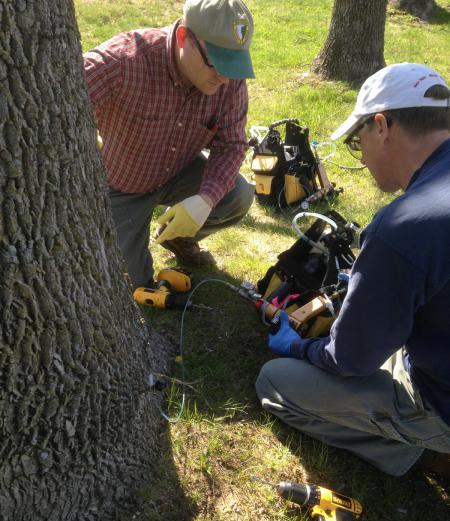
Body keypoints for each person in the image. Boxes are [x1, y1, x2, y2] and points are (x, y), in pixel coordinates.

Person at [256, 63, 450, 477]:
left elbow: (350, 359)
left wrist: (298, 347)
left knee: (275, 382)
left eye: (357, 144)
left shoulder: (402, 229)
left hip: (441, 399)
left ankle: (426, 454)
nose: (361, 160)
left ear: (381, 125)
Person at [84, 0, 255, 288]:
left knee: (237, 195)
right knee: (134, 284)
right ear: (183, 37)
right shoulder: (124, 62)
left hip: (179, 172)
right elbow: (58, 100)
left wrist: (206, 199)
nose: (224, 78)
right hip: (122, 187)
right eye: (216, 62)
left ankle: (178, 237)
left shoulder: (229, 81)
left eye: (233, 66)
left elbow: (232, 145)